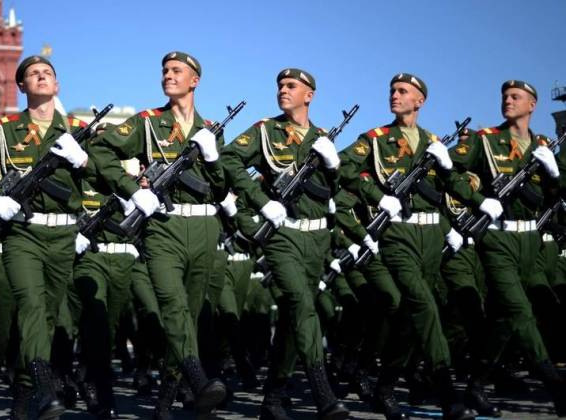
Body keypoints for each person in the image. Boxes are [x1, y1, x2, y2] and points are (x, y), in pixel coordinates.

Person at [0, 55, 91, 420]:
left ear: (57, 85)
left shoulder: (79, 130)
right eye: (32, 74)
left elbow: (105, 181)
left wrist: (85, 162)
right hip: (23, 234)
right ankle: (44, 390)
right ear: (21, 86)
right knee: (30, 306)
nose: (41, 77)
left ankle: (23, 399)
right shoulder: (2, 129)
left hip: (63, 234)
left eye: (47, 73)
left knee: (45, 318)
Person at [90, 51, 228, 419]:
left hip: (203, 227)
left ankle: (166, 399)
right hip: (162, 228)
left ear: (194, 80)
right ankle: (198, 381)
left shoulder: (211, 128)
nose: (168, 75)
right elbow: (101, 150)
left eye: (176, 71)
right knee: (174, 307)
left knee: (192, 315)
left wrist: (214, 160)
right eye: (165, 70)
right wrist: (133, 189)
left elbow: (221, 189)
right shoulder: (147, 123)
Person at [339, 73, 474, 420]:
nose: (395, 96)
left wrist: (451, 173)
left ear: (420, 101)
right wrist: (377, 196)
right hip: (397, 236)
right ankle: (448, 396)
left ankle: (384, 386)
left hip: (431, 237)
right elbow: (342, 167)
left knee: (410, 319)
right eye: (392, 91)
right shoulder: (376, 139)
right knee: (424, 306)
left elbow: (454, 186)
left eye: (403, 92)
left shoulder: (433, 142)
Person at [221, 68, 348, 420]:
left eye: (291, 86)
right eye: (280, 85)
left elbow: (331, 192)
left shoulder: (322, 137)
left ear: (309, 95)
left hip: (317, 237)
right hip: (283, 235)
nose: (283, 90)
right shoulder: (265, 130)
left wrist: (334, 166)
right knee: (302, 306)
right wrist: (262, 202)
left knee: (296, 318)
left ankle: (273, 398)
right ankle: (324, 395)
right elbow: (230, 159)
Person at [448, 80, 565, 417]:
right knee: (518, 311)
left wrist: (554, 174)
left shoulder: (542, 144)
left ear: (532, 105)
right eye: (504, 97)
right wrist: (478, 200)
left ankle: (476, 385)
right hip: (497, 238)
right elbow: (450, 173)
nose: (507, 101)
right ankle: (555, 384)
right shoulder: (485, 140)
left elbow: (551, 197)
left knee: (504, 321)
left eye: (515, 97)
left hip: (531, 239)